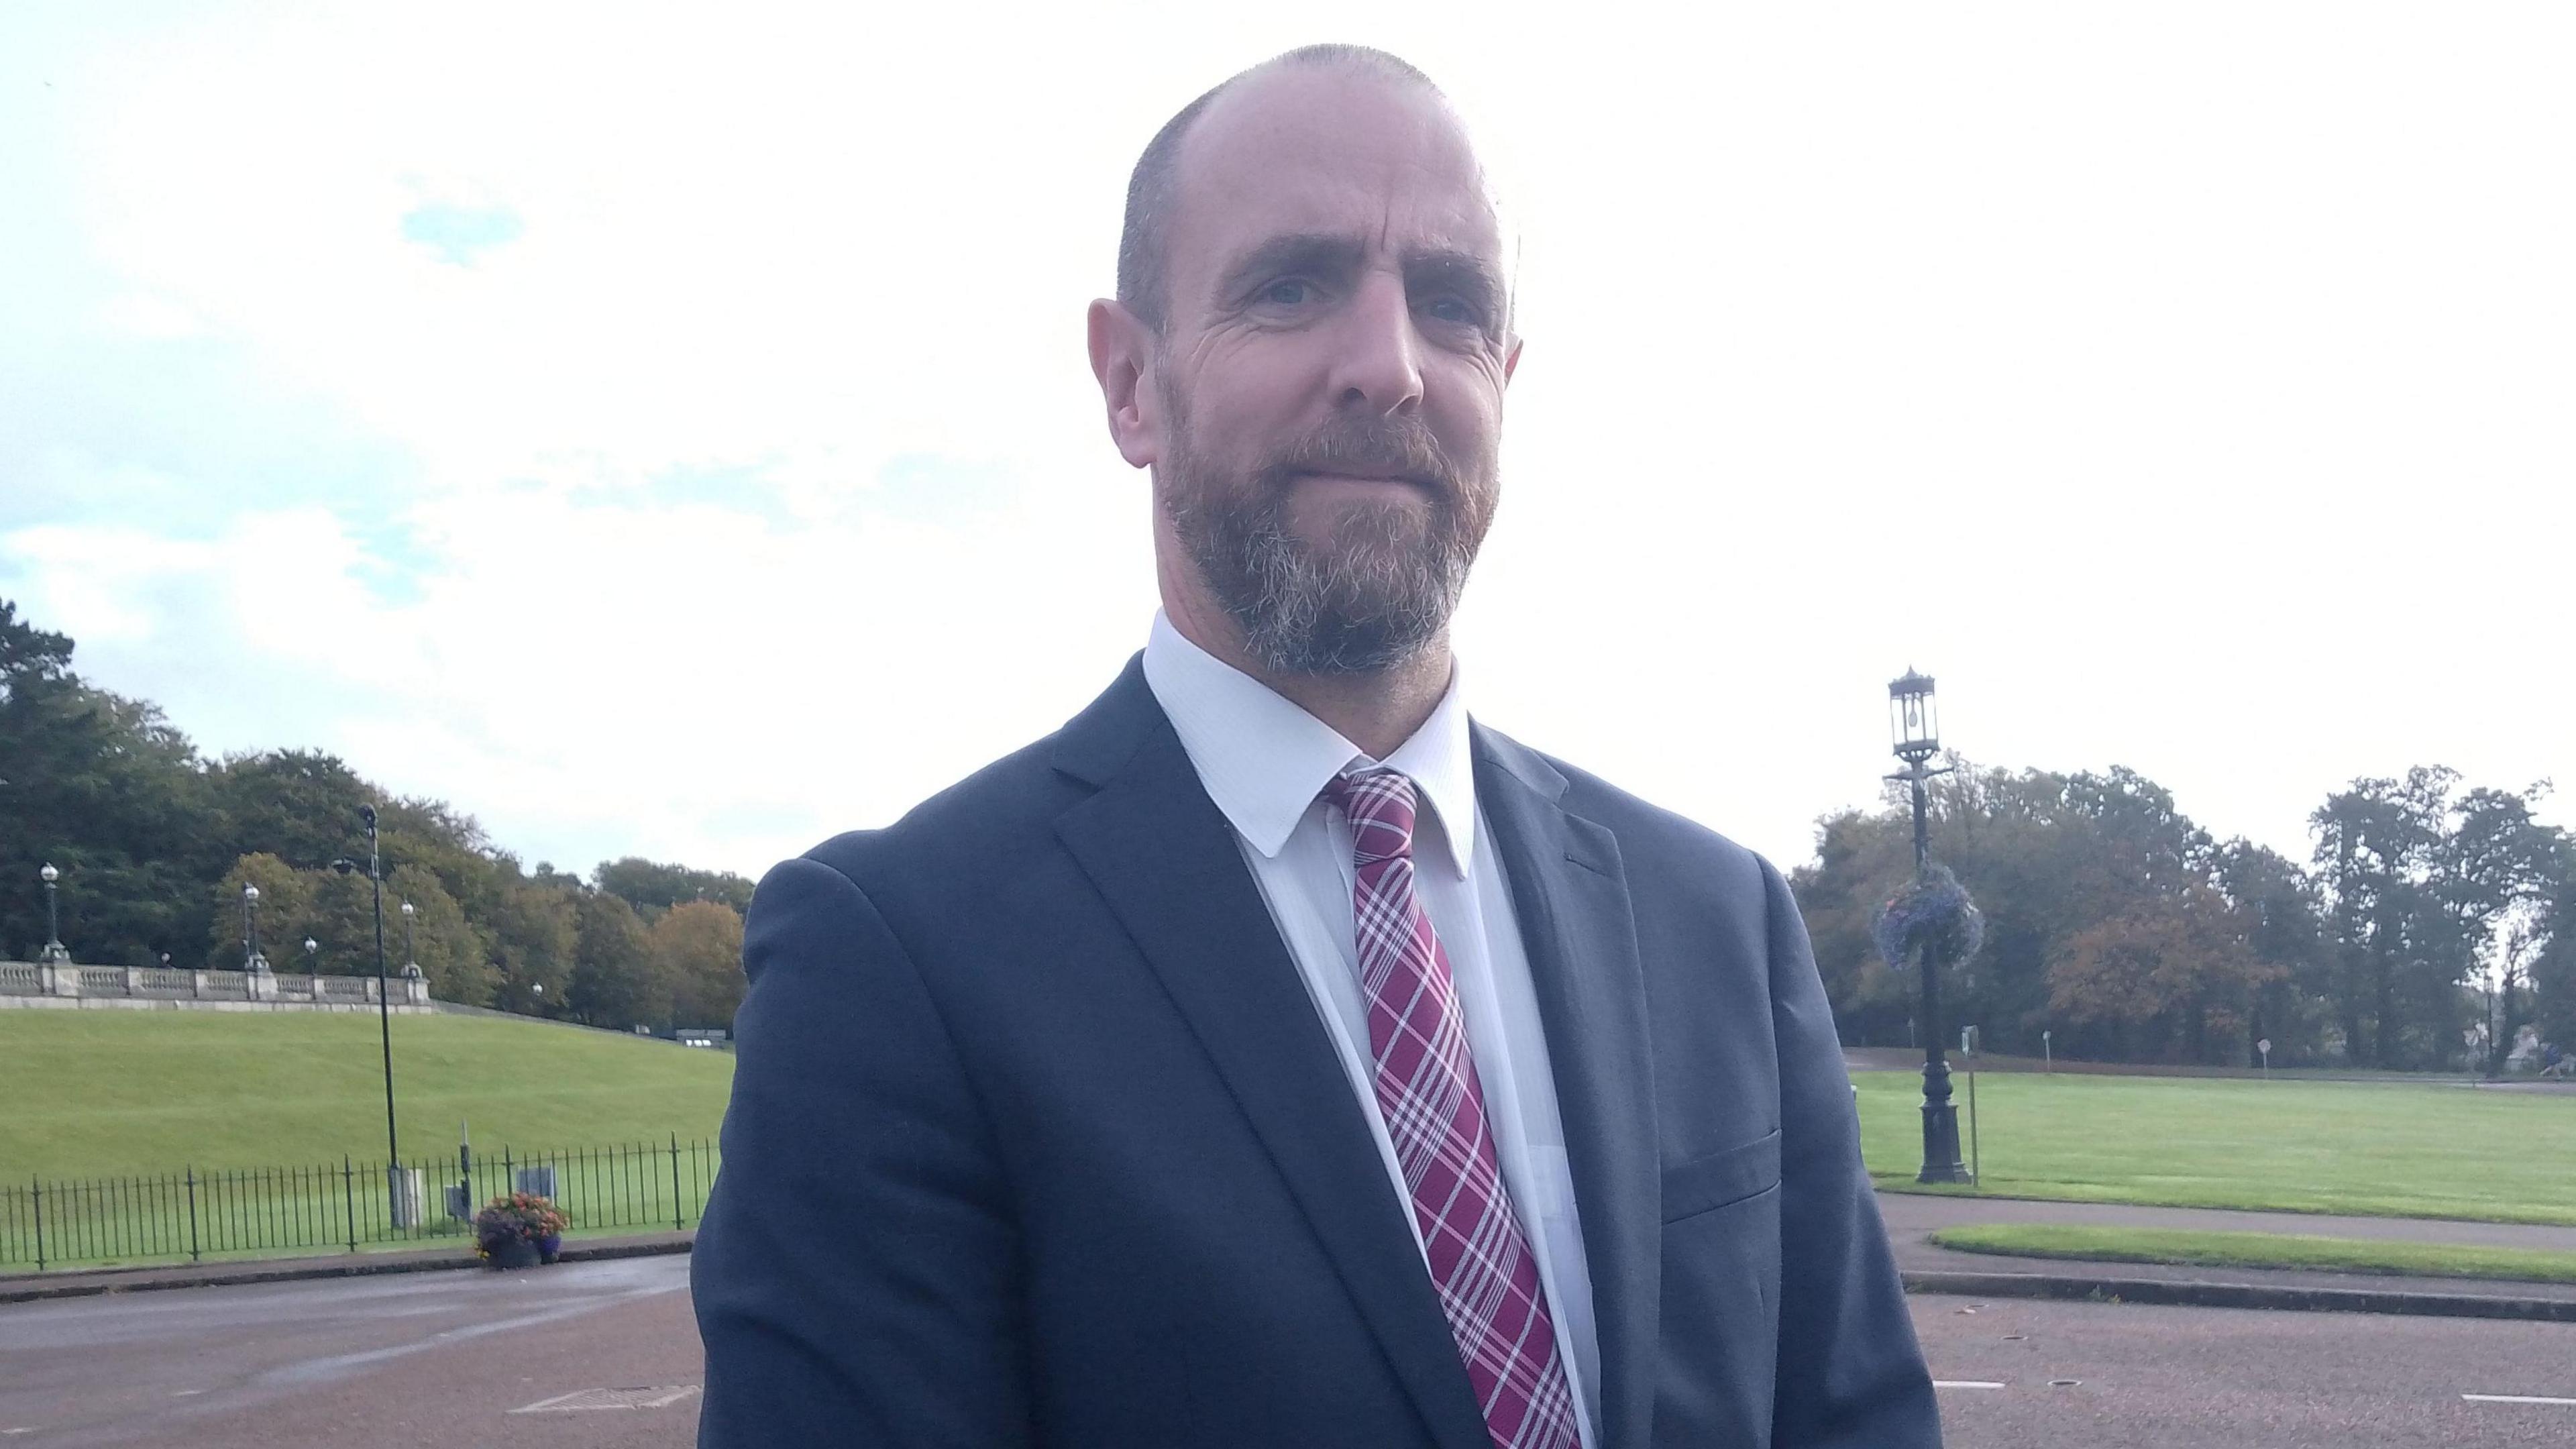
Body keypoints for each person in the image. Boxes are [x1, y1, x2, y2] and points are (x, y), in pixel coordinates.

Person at [693, 43, 1940, 1449]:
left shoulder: (1717, 919)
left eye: (1453, 306)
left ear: (1506, 378)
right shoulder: (899, 960)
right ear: (1130, 383)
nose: (1389, 369)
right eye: (1292, 285)